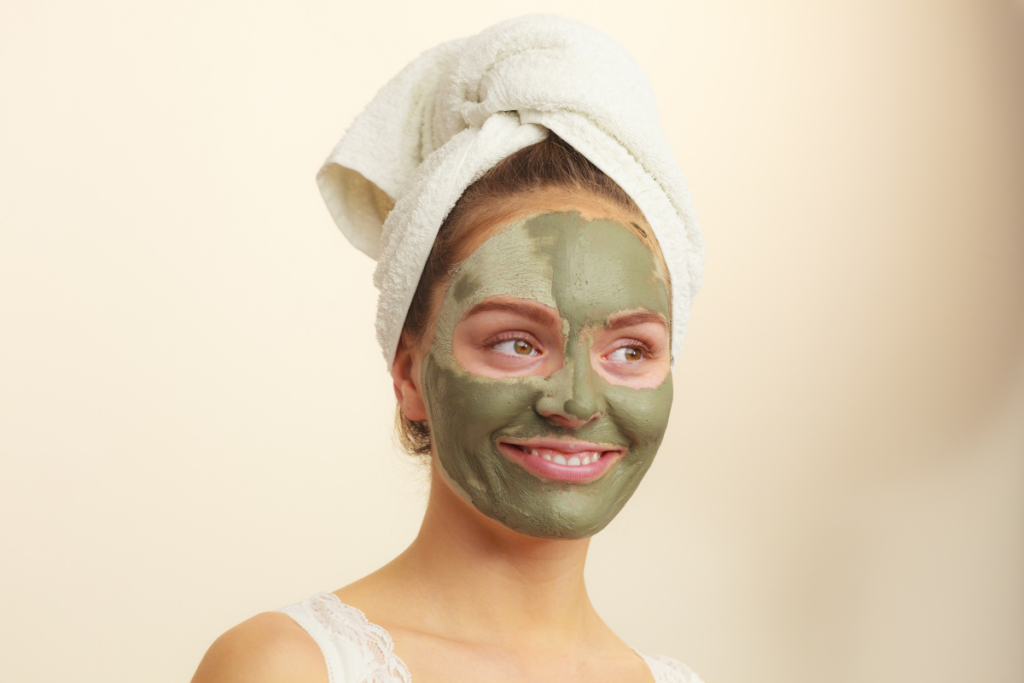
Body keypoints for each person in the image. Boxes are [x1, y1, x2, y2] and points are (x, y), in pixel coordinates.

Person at [191, 15, 705, 683]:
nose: (576, 400)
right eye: (517, 342)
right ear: (408, 373)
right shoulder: (288, 666)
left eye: (632, 351)